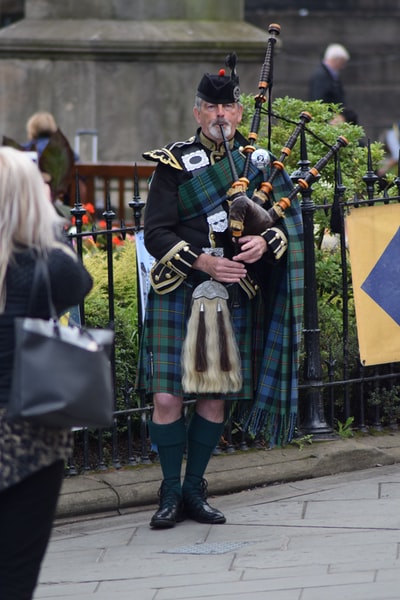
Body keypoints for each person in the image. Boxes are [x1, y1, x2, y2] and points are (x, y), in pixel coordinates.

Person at [136, 60, 304, 529]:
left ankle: (195, 490)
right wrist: (203, 261)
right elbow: (156, 234)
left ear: (238, 111)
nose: (221, 114)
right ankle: (169, 491)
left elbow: (289, 225)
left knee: (214, 398)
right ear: (197, 113)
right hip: (182, 290)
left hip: (233, 294)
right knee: (167, 398)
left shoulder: (260, 164)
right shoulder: (173, 164)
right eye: (211, 106)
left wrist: (264, 241)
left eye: (228, 105)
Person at [0, 146, 93, 599]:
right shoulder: (45, 262)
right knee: (15, 570)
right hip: (28, 437)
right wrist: (49, 223)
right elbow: (81, 284)